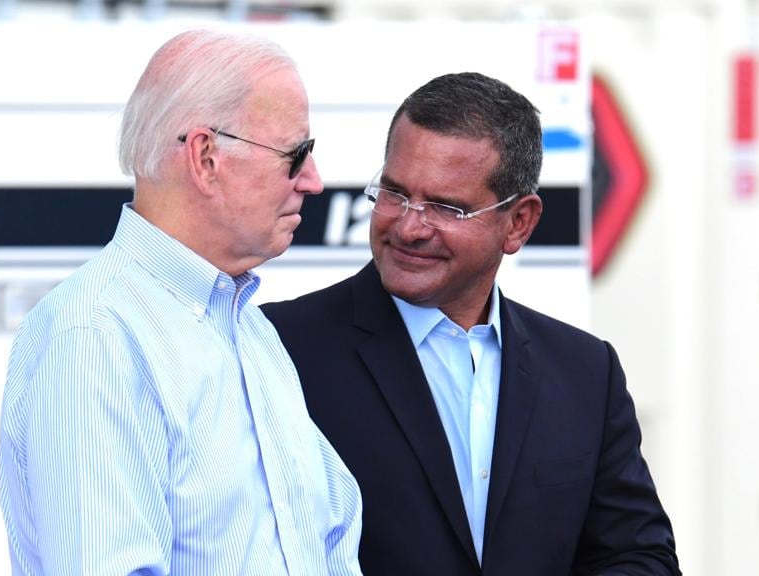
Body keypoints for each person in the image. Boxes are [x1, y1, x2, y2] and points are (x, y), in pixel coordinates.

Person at [262, 72, 680, 575]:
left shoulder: (586, 371)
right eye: (395, 193)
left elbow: (639, 556)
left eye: (446, 208)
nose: (409, 226)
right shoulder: (277, 349)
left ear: (519, 222)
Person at [0, 29, 362, 576]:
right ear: (205, 156)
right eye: (296, 155)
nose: (313, 181)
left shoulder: (250, 331)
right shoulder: (96, 337)